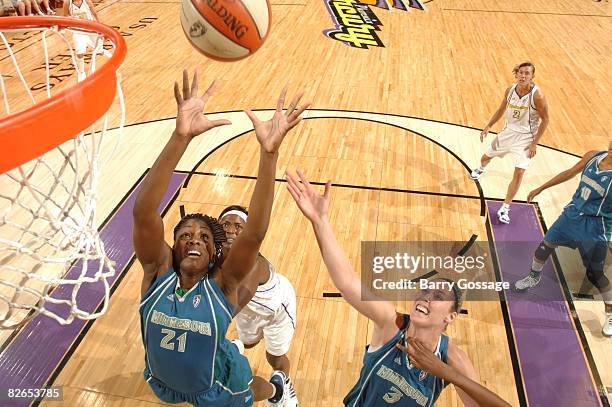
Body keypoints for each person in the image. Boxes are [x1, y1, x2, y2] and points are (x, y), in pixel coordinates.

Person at [134, 70, 309, 406]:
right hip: (161, 383)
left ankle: (276, 390)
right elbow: (144, 213)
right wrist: (180, 138)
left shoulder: (222, 285)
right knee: (242, 343)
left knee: (249, 385)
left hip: (217, 388)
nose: (195, 239)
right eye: (185, 235)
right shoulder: (157, 273)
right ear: (172, 249)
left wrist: (269, 154)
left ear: (216, 254)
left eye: (203, 237)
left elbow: (255, 232)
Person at [285, 169, 512, 406]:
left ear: (451, 316)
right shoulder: (390, 324)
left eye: (438, 296)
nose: (426, 297)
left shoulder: (452, 359)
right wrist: (320, 221)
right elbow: (347, 282)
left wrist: (448, 374)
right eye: (424, 290)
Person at [514, 140, 612, 337]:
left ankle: (610, 311)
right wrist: (542, 187)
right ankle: (534, 277)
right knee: (544, 247)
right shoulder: (593, 155)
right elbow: (569, 172)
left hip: (596, 228)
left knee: (595, 274)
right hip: (573, 215)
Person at [218, 205, 298, 407]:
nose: (230, 230)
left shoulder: (252, 262)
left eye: (238, 226)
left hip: (278, 310)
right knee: (249, 343)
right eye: (225, 224)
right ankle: (234, 347)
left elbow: (231, 307)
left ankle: (283, 387)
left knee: (275, 357)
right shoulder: (213, 254)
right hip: (250, 310)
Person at [470, 62, 549, 224]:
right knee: (485, 157)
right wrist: (489, 125)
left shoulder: (537, 95)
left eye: (527, 73)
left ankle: (505, 207)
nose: (523, 76)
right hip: (507, 133)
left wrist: (535, 143)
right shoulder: (510, 90)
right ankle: (481, 168)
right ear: (516, 74)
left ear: (532, 77)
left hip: (526, 139)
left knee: (519, 172)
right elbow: (501, 110)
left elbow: (546, 120)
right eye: (521, 72)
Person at [63, 0, 108, 81]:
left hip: (90, 29)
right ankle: (81, 72)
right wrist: (68, 21)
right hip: (78, 31)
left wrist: (101, 28)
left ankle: (110, 57)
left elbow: (95, 14)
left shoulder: (87, 1)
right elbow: (64, 17)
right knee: (79, 53)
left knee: (100, 51)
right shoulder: (67, 3)